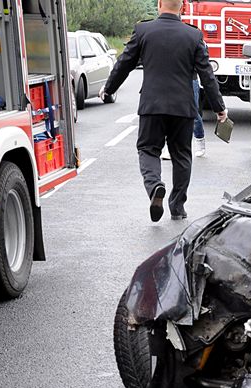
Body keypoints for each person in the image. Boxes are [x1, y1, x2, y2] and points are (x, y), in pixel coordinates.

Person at [99, 0, 226, 222]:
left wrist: (108, 89)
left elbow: (124, 63)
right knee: (182, 156)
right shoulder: (193, 36)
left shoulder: (143, 30)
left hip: (152, 106)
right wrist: (219, 108)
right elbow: (207, 75)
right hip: (182, 108)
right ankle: (177, 207)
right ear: (181, 8)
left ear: (159, 5)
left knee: (148, 150)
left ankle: (155, 186)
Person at [162, 79, 205, 160]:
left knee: (193, 112)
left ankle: (199, 138)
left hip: (190, 78)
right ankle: (169, 147)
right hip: (173, 78)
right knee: (171, 111)